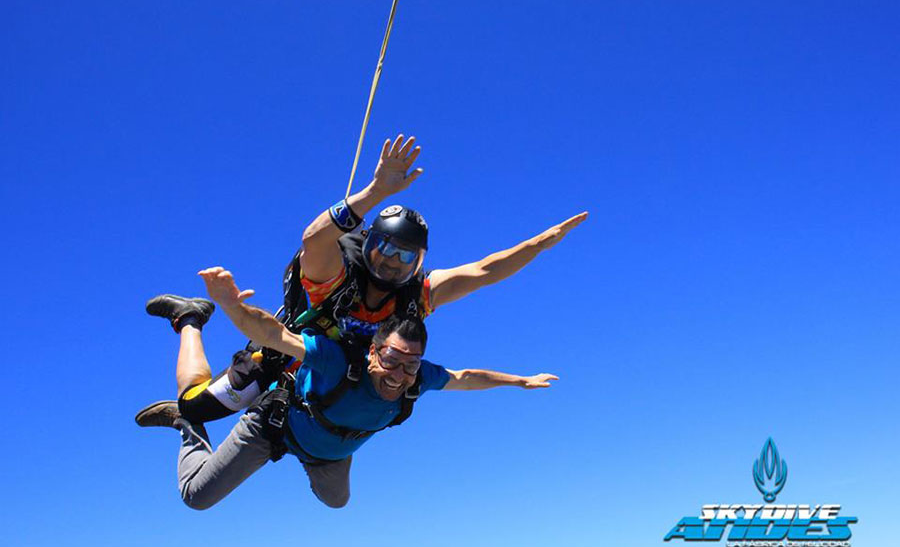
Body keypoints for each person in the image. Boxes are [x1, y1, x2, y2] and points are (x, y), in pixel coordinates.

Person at [145, 133, 587, 425]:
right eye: (385, 250)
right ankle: (190, 319)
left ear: (420, 262)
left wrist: (541, 243)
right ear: (368, 243)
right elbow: (314, 241)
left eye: (407, 257)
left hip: (338, 382)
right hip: (286, 358)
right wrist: (375, 193)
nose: (393, 264)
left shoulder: (417, 294)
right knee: (193, 406)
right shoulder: (338, 277)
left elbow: (486, 270)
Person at [137, 268, 558, 509]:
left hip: (327, 452)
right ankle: (189, 325)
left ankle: (315, 445)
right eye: (391, 360)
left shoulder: (417, 377)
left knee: (337, 503)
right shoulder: (337, 358)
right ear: (374, 352)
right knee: (196, 493)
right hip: (272, 427)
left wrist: (519, 381)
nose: (398, 374)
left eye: (410, 366)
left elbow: (466, 377)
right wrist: (232, 306)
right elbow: (274, 334)